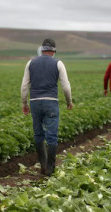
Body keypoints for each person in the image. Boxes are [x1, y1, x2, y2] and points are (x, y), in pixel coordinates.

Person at [21, 38, 73, 176]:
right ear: (54, 50)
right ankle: (50, 167)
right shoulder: (58, 63)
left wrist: (24, 103)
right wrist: (69, 101)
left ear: (42, 49)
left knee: (38, 134)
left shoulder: (30, 62)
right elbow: (66, 87)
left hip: (35, 102)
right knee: (52, 137)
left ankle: (43, 165)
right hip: (51, 102)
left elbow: (24, 86)